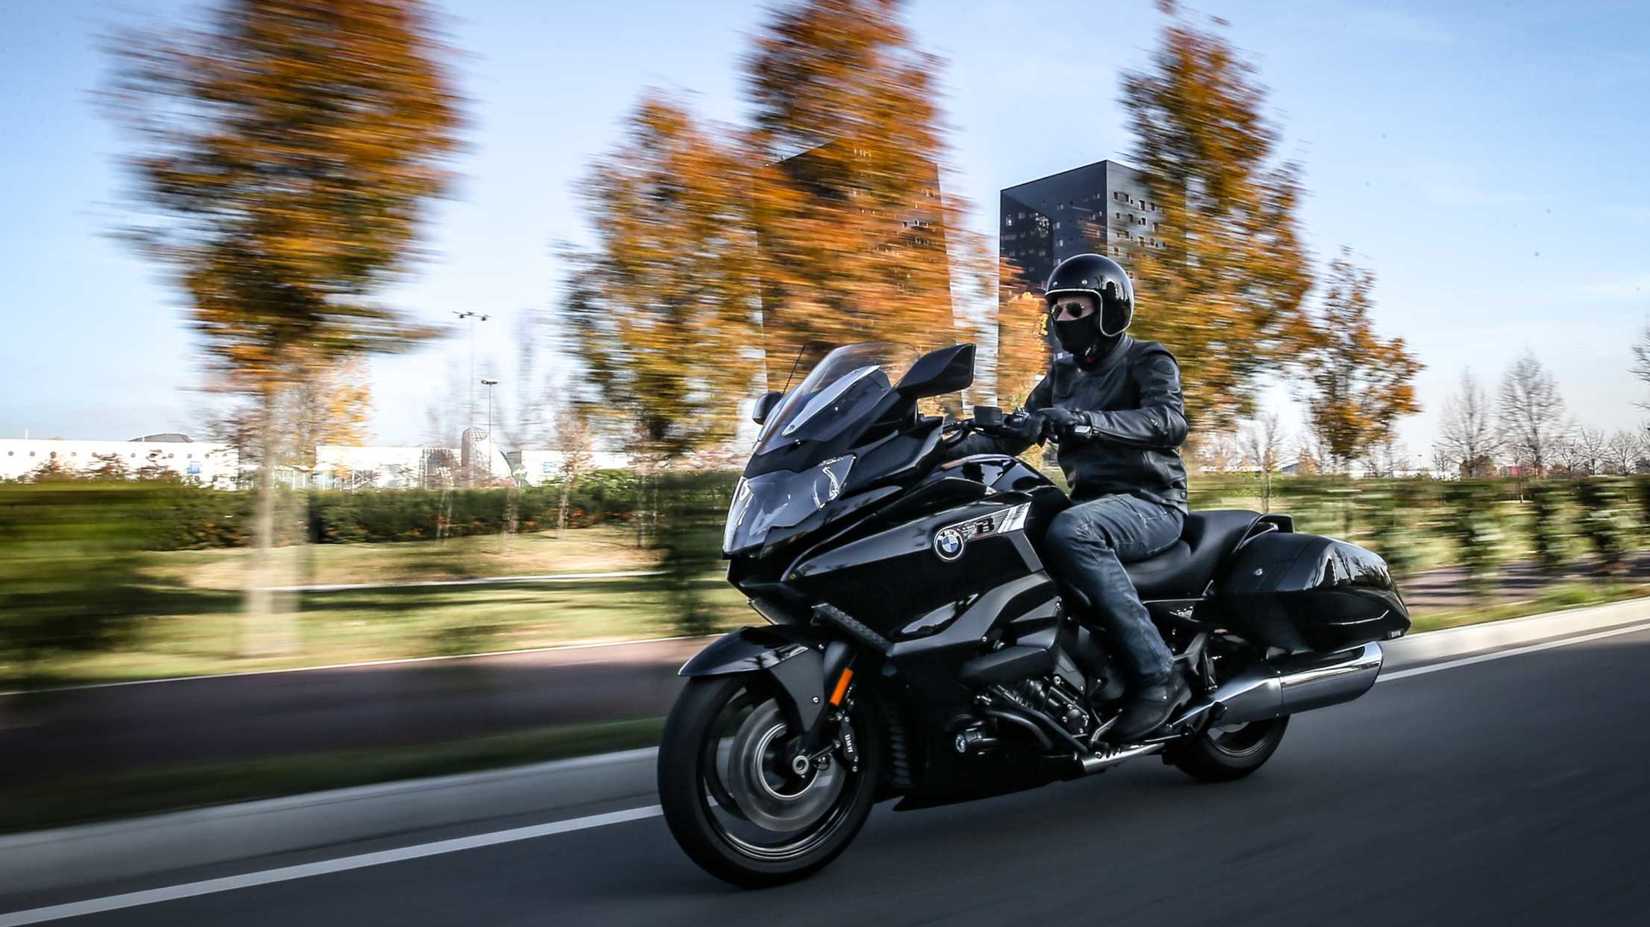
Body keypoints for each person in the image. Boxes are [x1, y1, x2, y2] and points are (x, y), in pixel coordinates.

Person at [948, 253, 1191, 742]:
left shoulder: (1147, 358)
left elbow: (1168, 422)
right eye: (1056, 311)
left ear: (1109, 311)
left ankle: (1157, 674)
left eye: (1074, 310)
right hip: (1094, 503)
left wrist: (1085, 421)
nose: (1061, 320)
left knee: (1071, 531)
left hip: (1151, 502)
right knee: (1003, 525)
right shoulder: (1063, 375)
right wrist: (929, 444)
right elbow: (1014, 434)